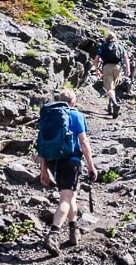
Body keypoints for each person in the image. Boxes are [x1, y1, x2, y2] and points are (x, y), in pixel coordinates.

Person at [39, 89, 98, 256]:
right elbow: (84, 142)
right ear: (73, 103)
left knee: (70, 195)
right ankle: (53, 234)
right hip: (70, 161)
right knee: (66, 198)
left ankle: (73, 231)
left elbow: (41, 144)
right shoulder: (76, 114)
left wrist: (43, 170)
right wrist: (91, 166)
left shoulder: (49, 115)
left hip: (53, 161)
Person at [93, 32, 130, 118]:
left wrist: (97, 70)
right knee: (113, 87)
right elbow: (126, 58)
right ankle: (110, 107)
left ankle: (115, 104)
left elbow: (96, 59)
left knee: (109, 88)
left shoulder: (103, 46)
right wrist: (128, 70)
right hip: (118, 67)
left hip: (107, 67)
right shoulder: (120, 47)